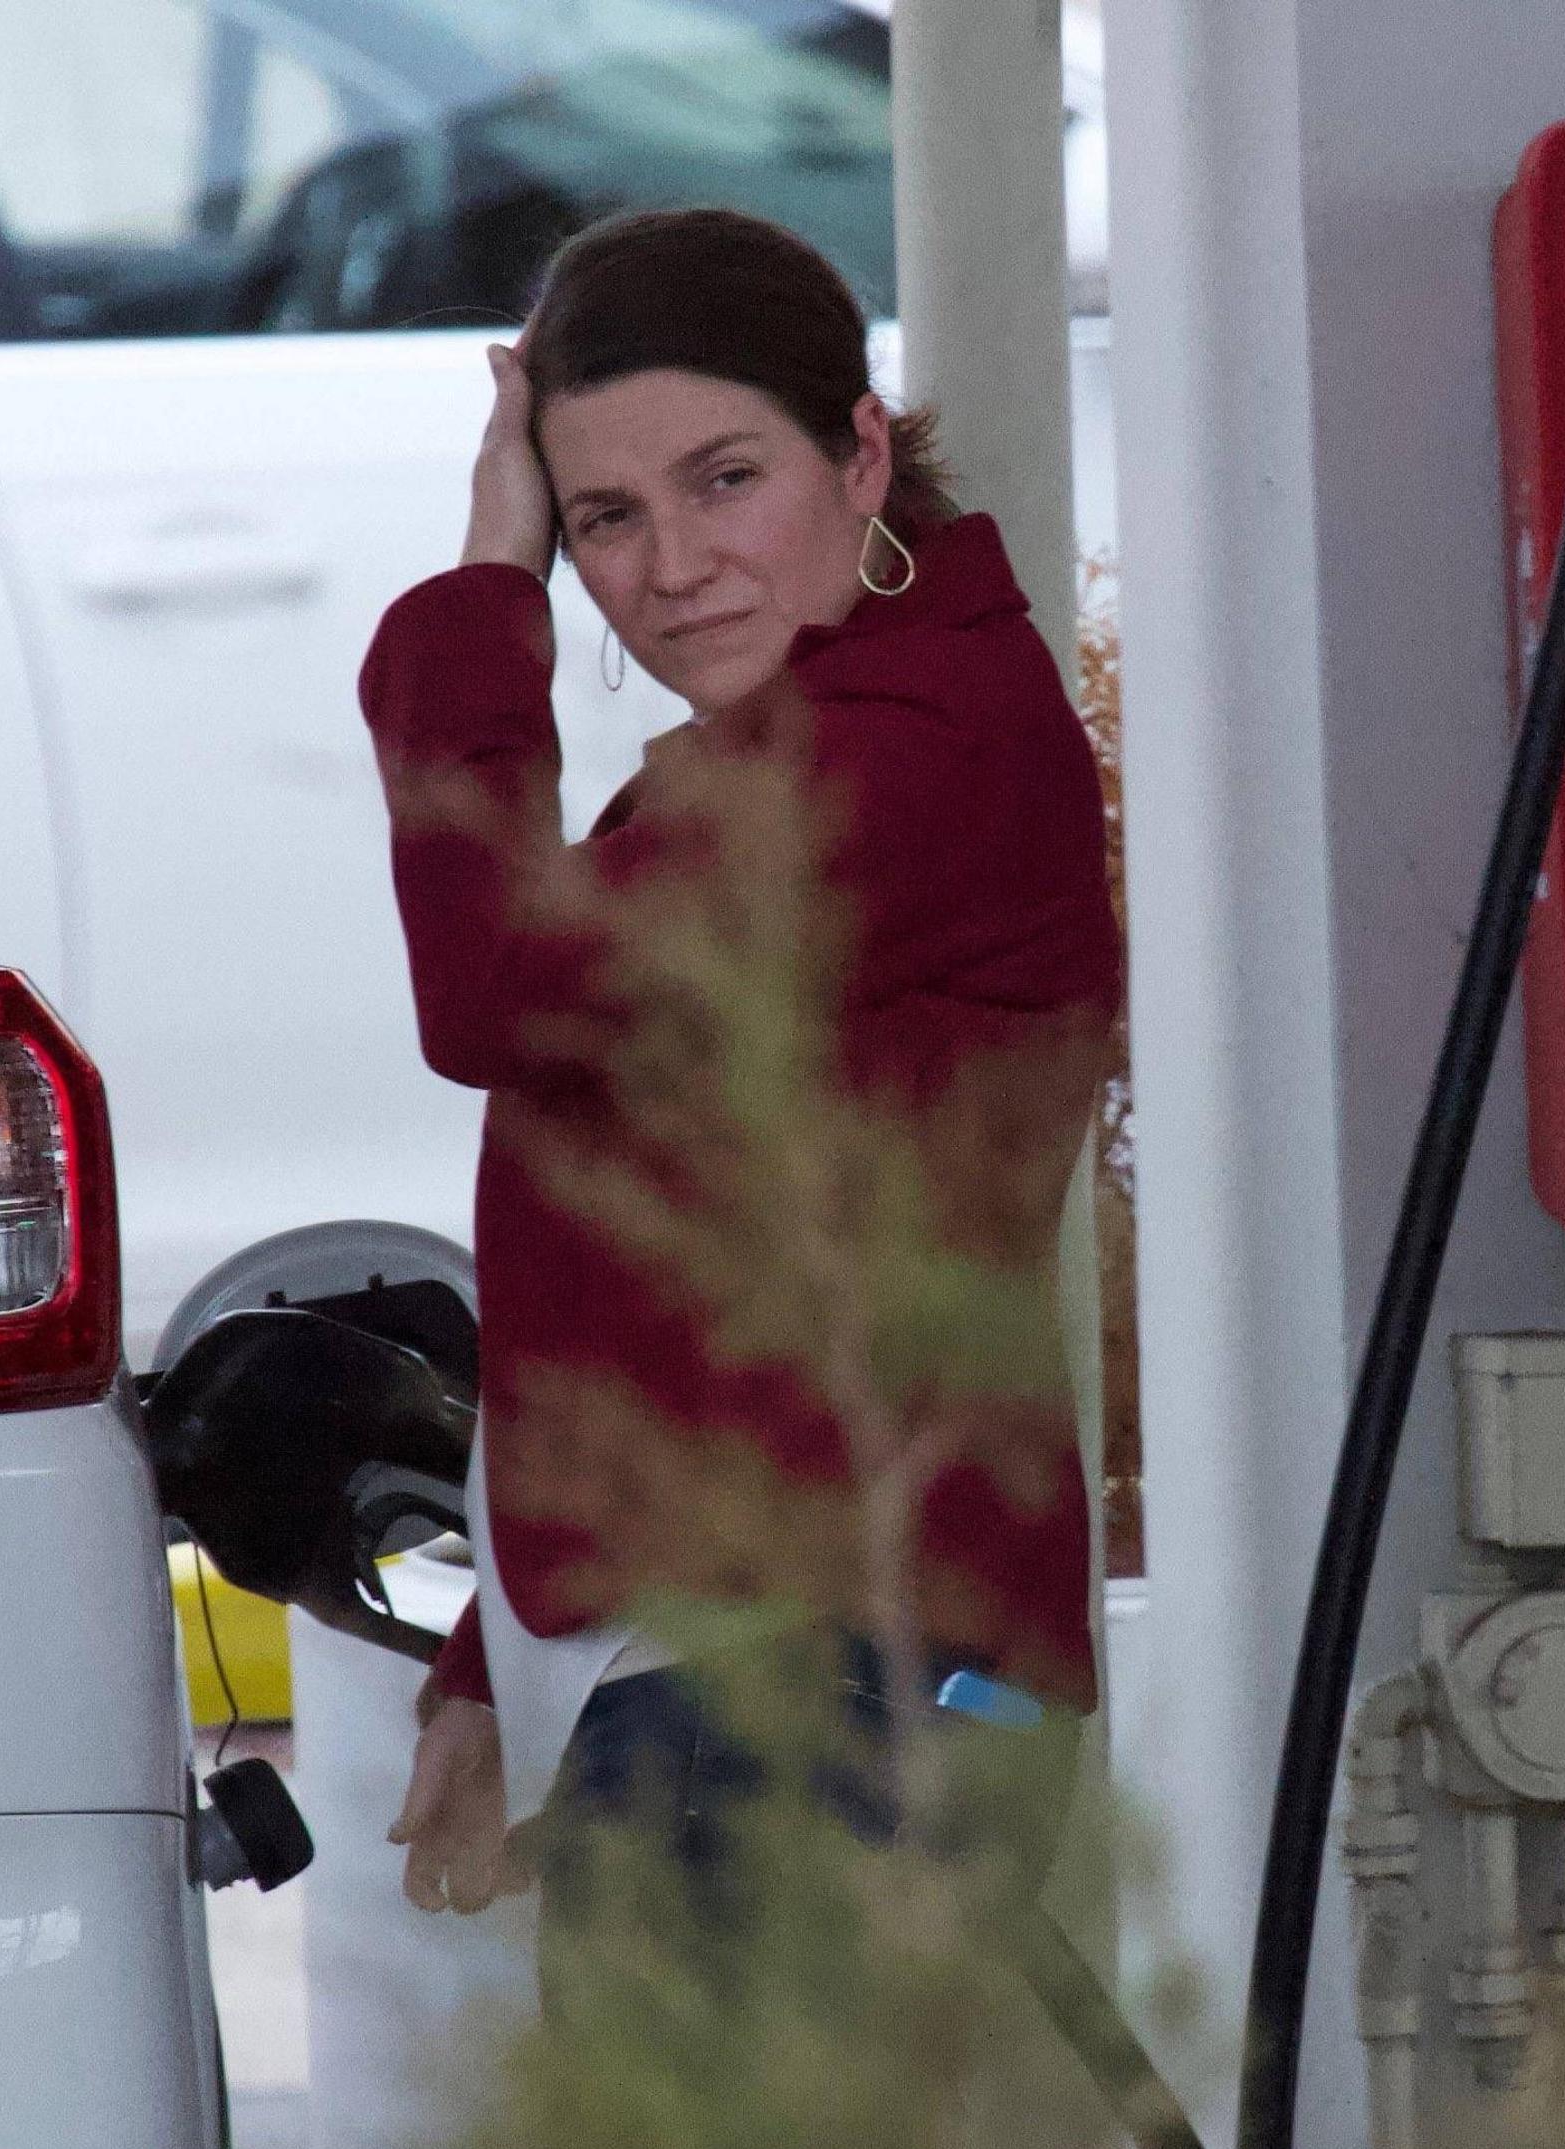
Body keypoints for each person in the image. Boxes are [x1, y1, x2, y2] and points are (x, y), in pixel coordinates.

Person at [354, 208, 1120, 1943]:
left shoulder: (895, 757)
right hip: (800, 1667)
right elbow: (675, 1269)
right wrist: (504, 1658)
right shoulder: (822, 740)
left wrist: (492, 580)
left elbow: (488, 992)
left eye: (725, 479)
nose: (672, 566)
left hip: (826, 1691)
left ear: (860, 452)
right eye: (603, 518)